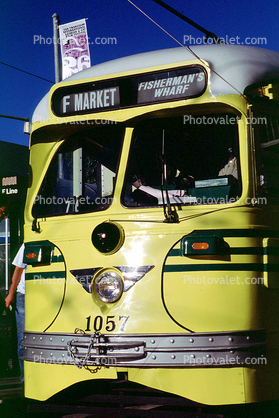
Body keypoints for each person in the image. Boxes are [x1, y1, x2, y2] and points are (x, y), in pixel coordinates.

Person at [5, 244, 26, 383]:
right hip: (24, 295)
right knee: (23, 340)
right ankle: (25, 380)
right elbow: (18, 269)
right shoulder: (29, 242)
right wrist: (11, 294)